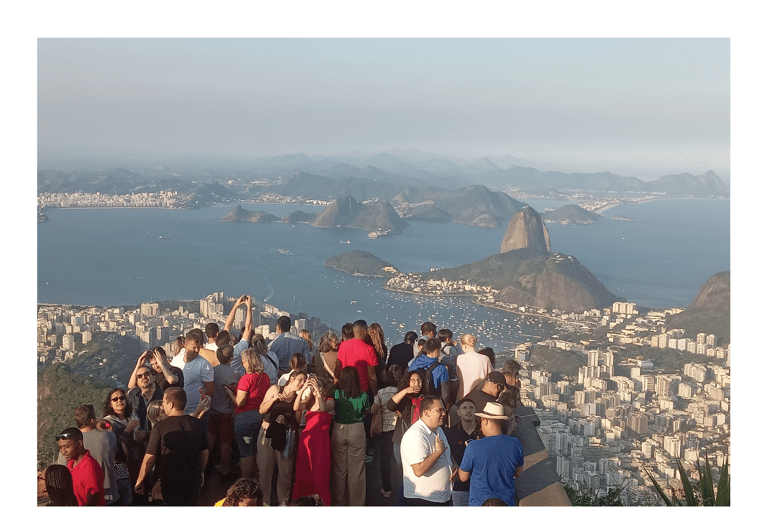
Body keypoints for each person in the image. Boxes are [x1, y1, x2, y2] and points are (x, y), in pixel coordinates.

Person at [134, 387, 209, 506]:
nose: (163, 405)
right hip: (192, 481)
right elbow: (204, 452)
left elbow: (150, 458)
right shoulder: (197, 424)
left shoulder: (160, 427)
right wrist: (200, 471)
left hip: (169, 482)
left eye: (164, 402)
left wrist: (140, 480)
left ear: (171, 404)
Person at [458, 402, 524, 506]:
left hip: (480, 504)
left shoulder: (474, 446)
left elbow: (463, 477)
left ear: (486, 421)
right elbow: (518, 473)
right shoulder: (516, 443)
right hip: (506, 503)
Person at [257, 369, 307, 506]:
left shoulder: (298, 398)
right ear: (291, 379)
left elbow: (297, 422)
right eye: (300, 380)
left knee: (286, 471)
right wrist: (273, 400)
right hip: (267, 431)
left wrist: (286, 420)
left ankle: (283, 503)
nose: (302, 383)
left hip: (286, 435)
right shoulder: (275, 388)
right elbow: (261, 410)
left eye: (304, 381)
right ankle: (264, 502)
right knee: (265, 469)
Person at [55, 404, 120, 505]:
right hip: (110, 497)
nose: (64, 450)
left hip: (82, 501)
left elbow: (62, 471)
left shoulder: (68, 445)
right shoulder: (109, 436)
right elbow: (114, 455)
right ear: (93, 420)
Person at [226, 348, 271, 482]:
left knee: (246, 453)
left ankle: (245, 482)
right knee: (257, 451)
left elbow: (240, 402)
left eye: (243, 361)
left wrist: (230, 393)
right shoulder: (265, 377)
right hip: (260, 416)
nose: (242, 363)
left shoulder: (246, 379)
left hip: (245, 418)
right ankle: (258, 480)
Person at [400, 395, 454, 506]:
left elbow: (446, 452)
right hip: (423, 500)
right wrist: (438, 452)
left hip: (441, 498)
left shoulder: (438, 429)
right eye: (439, 410)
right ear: (426, 413)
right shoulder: (416, 435)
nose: (444, 413)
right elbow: (419, 470)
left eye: (443, 410)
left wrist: (453, 465)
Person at [292, 375, 335, 506]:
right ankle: (303, 501)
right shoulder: (309, 402)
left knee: (319, 473)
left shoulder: (330, 401)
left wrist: (318, 393)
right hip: (306, 440)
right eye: (314, 387)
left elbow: (322, 409)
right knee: (304, 472)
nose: (316, 390)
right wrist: (304, 389)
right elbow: (296, 407)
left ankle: (320, 501)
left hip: (321, 441)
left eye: (319, 387)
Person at [330, 366, 370, 506]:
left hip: (339, 428)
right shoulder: (363, 395)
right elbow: (366, 412)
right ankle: (356, 503)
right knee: (357, 470)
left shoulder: (336, 393)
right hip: (356, 429)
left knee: (339, 469)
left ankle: (338, 501)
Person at [103, 388, 146, 487]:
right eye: (115, 399)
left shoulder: (132, 417)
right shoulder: (108, 423)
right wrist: (128, 430)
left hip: (139, 462)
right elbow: (113, 446)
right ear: (110, 404)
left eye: (122, 398)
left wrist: (144, 433)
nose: (119, 401)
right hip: (123, 467)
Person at [371, 364, 402, 499]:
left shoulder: (382, 392)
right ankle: (404, 485)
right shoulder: (401, 392)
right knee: (400, 458)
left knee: (385, 460)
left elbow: (373, 410)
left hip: (385, 429)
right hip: (400, 429)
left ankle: (387, 488)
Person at [444, 398, 483, 506]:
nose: (468, 411)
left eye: (471, 408)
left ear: (475, 411)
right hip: (459, 484)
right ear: (458, 412)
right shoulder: (450, 433)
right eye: (464, 408)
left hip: (481, 483)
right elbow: (446, 452)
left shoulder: (483, 432)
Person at [208, 343, 239, 479]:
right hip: (226, 411)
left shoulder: (212, 371)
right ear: (231, 358)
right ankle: (225, 469)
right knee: (225, 442)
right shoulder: (235, 374)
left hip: (212, 409)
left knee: (210, 437)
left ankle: (205, 465)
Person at [386, 369, 426, 468]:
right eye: (413, 380)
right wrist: (405, 391)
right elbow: (390, 406)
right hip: (402, 439)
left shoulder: (426, 399)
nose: (416, 383)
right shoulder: (404, 398)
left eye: (419, 380)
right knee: (402, 469)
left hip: (419, 440)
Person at [57, 427, 105, 506]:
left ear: (79, 443)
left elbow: (93, 500)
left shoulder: (90, 466)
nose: (63, 451)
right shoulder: (71, 464)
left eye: (67, 447)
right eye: (60, 447)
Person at [335, 319, 378, 398]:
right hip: (362, 390)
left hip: (345, 387)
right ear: (365, 331)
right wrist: (376, 393)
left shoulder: (343, 345)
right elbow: (372, 375)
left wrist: (335, 382)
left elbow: (338, 366)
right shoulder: (369, 349)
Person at [180, 330, 215, 417]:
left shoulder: (204, 364)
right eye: (194, 348)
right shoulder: (177, 360)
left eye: (198, 347)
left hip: (197, 410)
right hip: (180, 411)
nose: (197, 350)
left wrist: (202, 408)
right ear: (185, 346)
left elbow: (209, 388)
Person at [409, 337, 451, 406]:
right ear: (436, 351)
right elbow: (445, 392)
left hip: (415, 402)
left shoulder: (415, 363)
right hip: (432, 403)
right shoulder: (441, 368)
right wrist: (444, 406)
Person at [127, 365, 165, 435]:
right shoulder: (132, 395)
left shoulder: (164, 397)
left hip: (159, 438)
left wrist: (146, 434)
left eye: (146, 374)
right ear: (137, 382)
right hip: (136, 440)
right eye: (139, 376)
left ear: (154, 377)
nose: (143, 377)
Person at [456, 333, 492, 400]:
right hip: (481, 396)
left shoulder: (460, 358)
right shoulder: (485, 358)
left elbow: (458, 375)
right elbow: (491, 376)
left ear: (465, 346)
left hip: (463, 395)